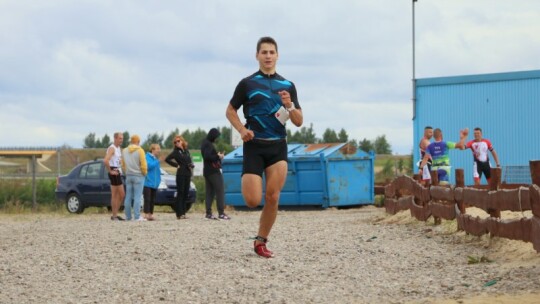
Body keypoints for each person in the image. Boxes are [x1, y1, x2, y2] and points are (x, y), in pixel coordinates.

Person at [225, 36, 303, 258]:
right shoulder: (247, 83)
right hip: (254, 146)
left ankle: (261, 241)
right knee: (251, 200)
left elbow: (298, 121)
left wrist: (289, 105)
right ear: (257, 56)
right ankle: (259, 235)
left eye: (272, 52)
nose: (268, 56)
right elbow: (230, 110)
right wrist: (241, 130)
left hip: (278, 146)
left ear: (277, 55)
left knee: (273, 196)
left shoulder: (288, 86)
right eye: (264, 52)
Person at [201, 128, 229, 220]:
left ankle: (208, 213)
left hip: (207, 171)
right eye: (216, 136)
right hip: (213, 172)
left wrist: (216, 155)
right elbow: (207, 156)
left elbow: (207, 156)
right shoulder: (208, 144)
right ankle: (221, 213)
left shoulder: (205, 143)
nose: (216, 138)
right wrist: (218, 156)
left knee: (209, 193)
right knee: (220, 191)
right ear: (213, 135)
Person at [165, 135, 194, 220]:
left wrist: (191, 165)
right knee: (180, 193)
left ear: (182, 141)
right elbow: (167, 159)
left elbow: (189, 160)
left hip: (188, 173)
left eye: (178, 141)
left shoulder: (186, 150)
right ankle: (179, 213)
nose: (177, 143)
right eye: (175, 142)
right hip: (180, 174)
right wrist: (176, 165)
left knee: (185, 193)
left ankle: (184, 212)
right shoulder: (175, 152)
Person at [121, 135, 147, 221]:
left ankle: (128, 216)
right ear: (138, 141)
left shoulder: (124, 151)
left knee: (128, 196)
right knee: (137, 197)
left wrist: (126, 172)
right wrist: (144, 173)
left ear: (131, 141)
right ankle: (137, 216)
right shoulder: (140, 151)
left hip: (128, 175)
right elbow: (143, 164)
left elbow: (123, 165)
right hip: (139, 176)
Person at [104, 132, 125, 221]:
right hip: (114, 171)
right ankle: (114, 215)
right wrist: (110, 171)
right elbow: (105, 160)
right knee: (121, 194)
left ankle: (115, 215)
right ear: (115, 138)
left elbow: (117, 159)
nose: (121, 140)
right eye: (120, 138)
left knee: (116, 195)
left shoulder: (118, 148)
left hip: (118, 170)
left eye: (122, 138)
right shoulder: (112, 148)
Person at [143, 143, 161, 221]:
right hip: (148, 182)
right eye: (157, 149)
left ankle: (150, 214)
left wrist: (159, 180)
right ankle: (146, 214)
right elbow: (149, 166)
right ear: (152, 149)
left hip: (154, 183)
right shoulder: (147, 157)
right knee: (147, 198)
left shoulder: (155, 159)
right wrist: (158, 161)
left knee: (153, 199)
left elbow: (157, 170)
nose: (159, 150)